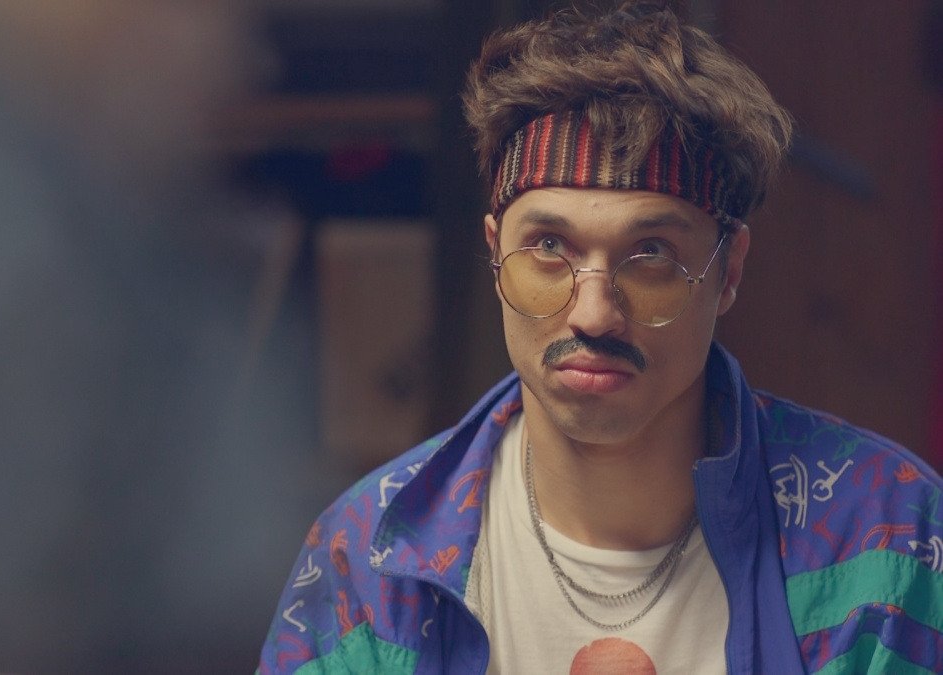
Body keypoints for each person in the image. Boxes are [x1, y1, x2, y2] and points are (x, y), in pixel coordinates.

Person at [258, 2, 943, 672]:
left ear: (727, 271)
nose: (592, 314)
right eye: (547, 247)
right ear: (495, 253)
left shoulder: (885, 541)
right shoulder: (368, 561)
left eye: (650, 254)